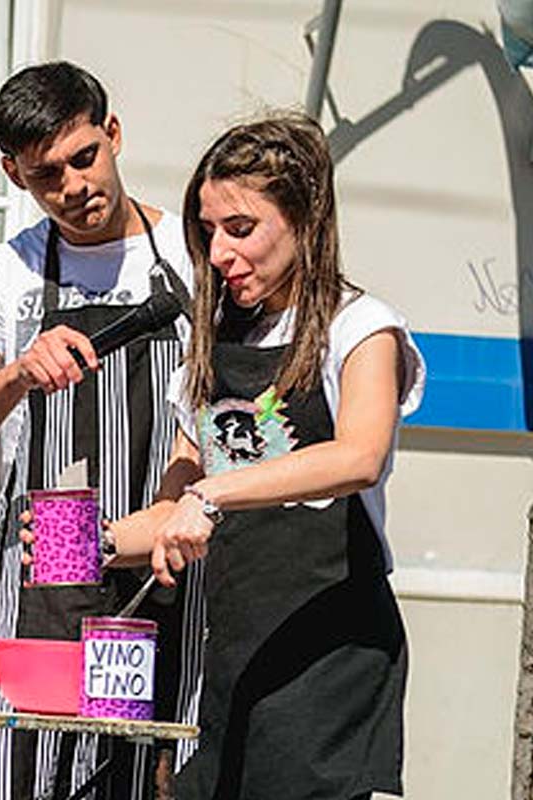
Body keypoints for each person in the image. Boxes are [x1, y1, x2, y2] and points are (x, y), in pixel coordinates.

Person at [101, 111, 424, 799]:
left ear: (305, 221)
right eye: (208, 231)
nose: (218, 253)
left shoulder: (362, 327)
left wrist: (211, 494)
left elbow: (359, 457)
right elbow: (178, 497)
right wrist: (89, 544)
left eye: (240, 229)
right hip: (234, 654)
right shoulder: (214, 340)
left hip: (330, 653)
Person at [0, 61, 199, 800]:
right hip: (46, 566)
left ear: (113, 135)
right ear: (17, 176)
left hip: (169, 565)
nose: (75, 186)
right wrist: (15, 373)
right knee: (18, 777)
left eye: (86, 157)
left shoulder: (193, 259)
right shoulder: (2, 277)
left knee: (143, 777)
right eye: (48, 175)